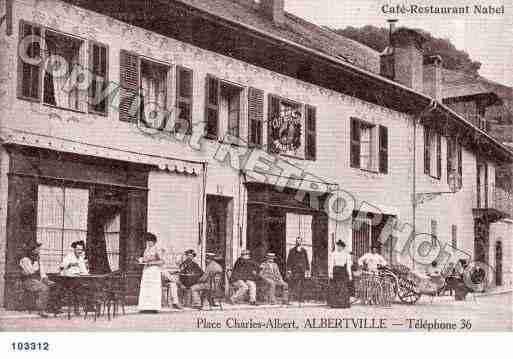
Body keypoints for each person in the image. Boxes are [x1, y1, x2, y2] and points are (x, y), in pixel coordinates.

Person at [19, 242, 53, 317]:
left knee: (53, 285)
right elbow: (30, 271)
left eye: (39, 250)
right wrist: (36, 263)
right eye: (37, 249)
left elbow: (42, 271)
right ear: (32, 250)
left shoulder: (37, 259)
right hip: (28, 281)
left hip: (37, 280)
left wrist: (45, 278)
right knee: (44, 288)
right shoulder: (25, 260)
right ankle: (41, 310)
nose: (39, 251)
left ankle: (52, 308)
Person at [137, 232, 165, 313]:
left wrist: (151, 263)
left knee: (153, 289)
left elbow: (162, 261)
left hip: (154, 271)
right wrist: (142, 260)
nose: (148, 243)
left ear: (154, 241)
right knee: (146, 289)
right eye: (147, 241)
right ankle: (145, 307)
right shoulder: (146, 249)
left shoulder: (157, 249)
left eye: (150, 241)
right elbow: (145, 259)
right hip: (146, 271)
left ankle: (153, 308)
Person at [328, 240, 352, 308]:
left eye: (341, 246)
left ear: (343, 247)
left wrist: (350, 275)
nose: (339, 247)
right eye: (338, 246)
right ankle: (335, 304)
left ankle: (343, 304)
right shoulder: (333, 254)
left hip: (343, 271)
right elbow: (331, 264)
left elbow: (348, 266)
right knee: (335, 287)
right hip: (335, 271)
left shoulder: (346, 255)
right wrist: (330, 273)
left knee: (343, 287)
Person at [286, 237, 310, 303]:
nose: (298, 243)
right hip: (295, 270)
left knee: (302, 284)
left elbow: (307, 260)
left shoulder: (304, 251)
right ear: (295, 242)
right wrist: (289, 269)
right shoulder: (292, 251)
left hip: (302, 270)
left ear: (301, 242)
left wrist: (307, 269)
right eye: (297, 241)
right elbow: (289, 261)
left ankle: (301, 299)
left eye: (299, 241)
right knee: (293, 284)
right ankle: (291, 299)